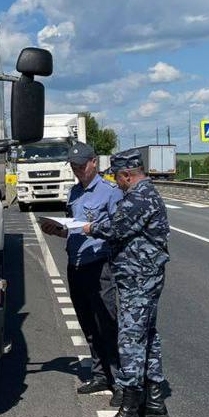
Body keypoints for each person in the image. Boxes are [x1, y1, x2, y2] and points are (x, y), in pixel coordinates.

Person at [76, 150, 171, 417]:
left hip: (138, 278)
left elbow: (117, 228)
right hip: (145, 275)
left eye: (117, 178)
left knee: (129, 337)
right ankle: (154, 401)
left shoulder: (139, 197)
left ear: (128, 175)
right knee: (147, 335)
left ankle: (130, 408)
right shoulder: (146, 193)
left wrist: (90, 226)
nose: (116, 183)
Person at [39, 142, 122, 396]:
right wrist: (58, 230)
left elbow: (118, 231)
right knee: (87, 323)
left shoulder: (110, 192)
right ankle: (99, 374)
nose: (77, 170)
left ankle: (119, 380)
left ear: (94, 162)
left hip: (99, 265)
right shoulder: (74, 192)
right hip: (75, 264)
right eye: (73, 166)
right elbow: (74, 228)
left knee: (106, 323)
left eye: (81, 166)